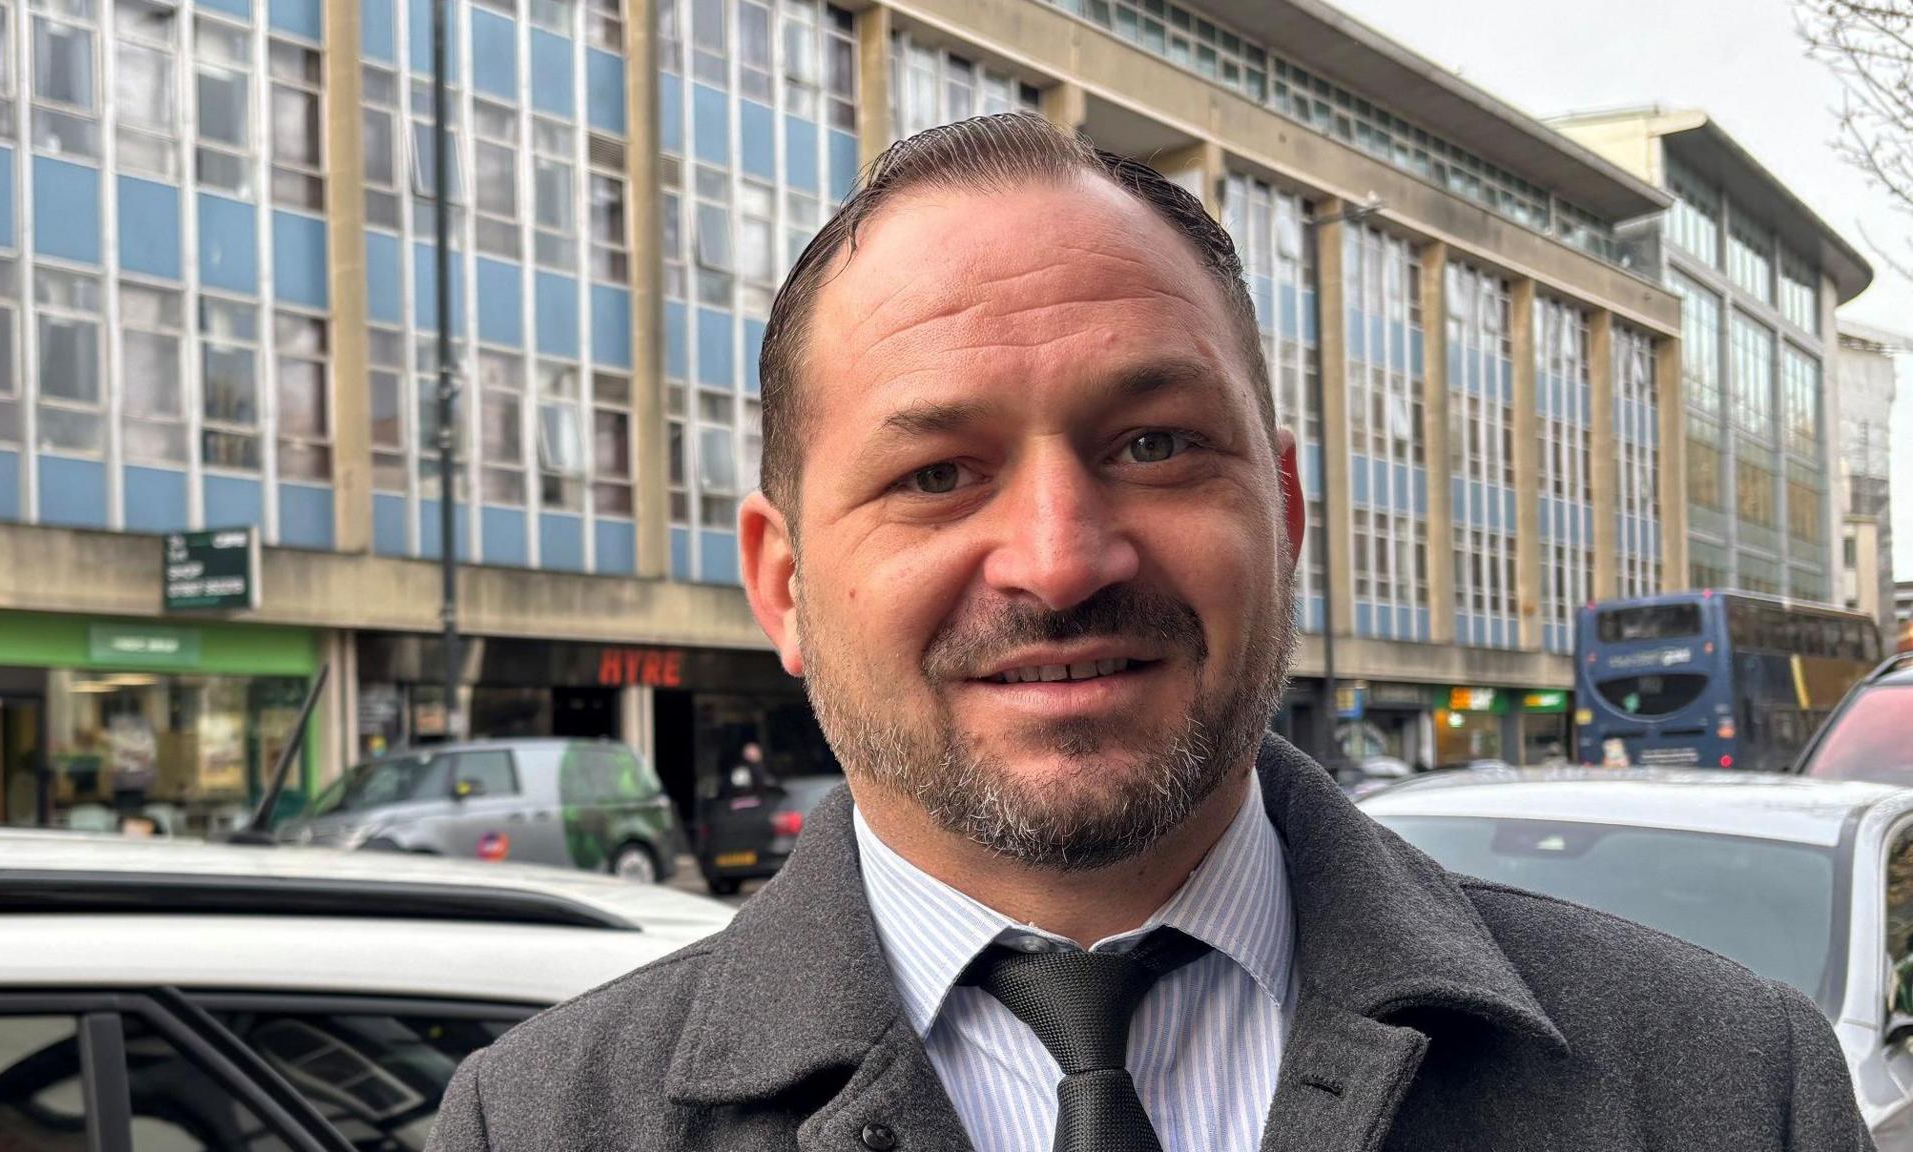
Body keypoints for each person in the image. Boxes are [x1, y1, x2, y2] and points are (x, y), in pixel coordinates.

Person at [430, 114, 1867, 1152]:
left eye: (1158, 443)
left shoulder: (1733, 1089)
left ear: (1288, 511)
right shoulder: (546, 1123)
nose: (1060, 562)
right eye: (938, 474)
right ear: (784, 582)